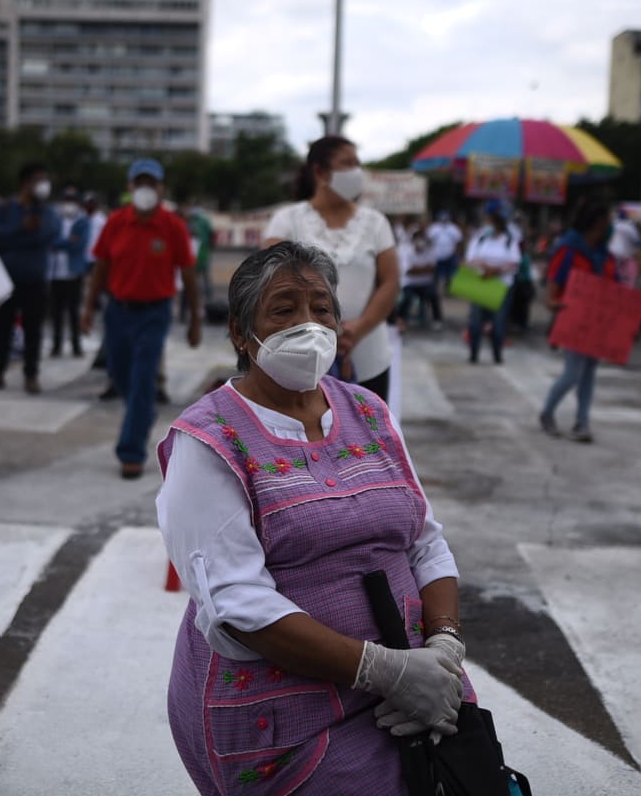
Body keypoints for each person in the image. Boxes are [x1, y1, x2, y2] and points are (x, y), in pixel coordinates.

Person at [156, 241, 471, 795]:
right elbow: (236, 602)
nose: (308, 324)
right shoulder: (209, 440)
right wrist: (384, 671)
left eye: (321, 309)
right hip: (287, 714)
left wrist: (442, 650)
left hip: (421, 684)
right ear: (240, 332)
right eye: (284, 309)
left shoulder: (369, 412)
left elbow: (426, 543)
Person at [80, 159, 200, 479]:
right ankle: (143, 413)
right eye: (140, 183)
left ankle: (131, 451)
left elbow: (188, 273)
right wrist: (89, 308)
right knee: (122, 378)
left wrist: (195, 320)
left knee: (143, 379)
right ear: (130, 187)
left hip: (154, 312)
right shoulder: (116, 222)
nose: (146, 189)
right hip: (118, 311)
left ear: (161, 188)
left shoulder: (173, 226)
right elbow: (101, 268)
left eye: (152, 183)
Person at [265, 136, 400, 399]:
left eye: (358, 163)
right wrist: (322, 330)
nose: (356, 171)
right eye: (347, 163)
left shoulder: (375, 222)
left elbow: (390, 281)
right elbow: (270, 279)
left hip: (368, 353)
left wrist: (357, 329)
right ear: (320, 172)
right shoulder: (287, 220)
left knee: (367, 436)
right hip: (302, 356)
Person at [539, 200, 617, 443]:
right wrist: (554, 304)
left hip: (597, 322)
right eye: (607, 220)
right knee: (573, 373)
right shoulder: (569, 250)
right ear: (597, 222)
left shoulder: (605, 254)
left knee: (589, 374)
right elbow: (554, 287)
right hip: (573, 320)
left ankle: (582, 423)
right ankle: (547, 412)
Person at [0, 163, 61, 395]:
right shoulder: (6, 209)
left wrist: (12, 240)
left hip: (35, 281)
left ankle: (31, 375)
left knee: (33, 331)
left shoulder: (47, 212)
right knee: (2, 329)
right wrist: (21, 229)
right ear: (24, 183)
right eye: (38, 179)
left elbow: (49, 234)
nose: (43, 185)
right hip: (5, 282)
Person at [464, 200, 520, 364]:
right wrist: (484, 268)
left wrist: (496, 271)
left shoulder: (510, 239)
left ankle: (497, 354)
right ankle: (474, 353)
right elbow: (469, 260)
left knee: (498, 322)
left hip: (501, 287)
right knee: (475, 322)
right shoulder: (480, 238)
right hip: (481, 284)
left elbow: (514, 262)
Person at [46, 186, 89, 358]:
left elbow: (79, 245)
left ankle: (76, 345)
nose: (69, 204)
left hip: (73, 272)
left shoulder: (82, 221)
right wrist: (67, 242)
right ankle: (56, 346)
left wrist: (61, 244)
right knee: (56, 312)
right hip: (55, 273)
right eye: (67, 200)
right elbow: (50, 241)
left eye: (72, 201)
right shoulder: (54, 219)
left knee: (73, 311)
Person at [397, 228, 439, 329]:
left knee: (433, 295)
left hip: (425, 283)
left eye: (422, 238)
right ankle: (400, 319)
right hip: (410, 284)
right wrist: (424, 269)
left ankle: (437, 319)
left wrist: (417, 269)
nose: (420, 241)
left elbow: (433, 268)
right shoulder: (407, 252)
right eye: (418, 238)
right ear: (413, 240)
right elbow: (409, 271)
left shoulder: (430, 251)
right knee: (406, 298)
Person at [427, 210, 462, 325]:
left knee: (450, 275)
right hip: (436, 256)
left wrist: (457, 254)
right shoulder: (434, 228)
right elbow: (428, 241)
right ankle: (436, 290)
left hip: (449, 255)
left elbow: (458, 242)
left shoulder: (453, 228)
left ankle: (449, 290)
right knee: (435, 276)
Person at [608, 209, 641, 288]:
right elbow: (637, 241)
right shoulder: (629, 226)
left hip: (611, 253)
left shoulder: (614, 224)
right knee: (625, 279)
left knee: (614, 278)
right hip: (624, 257)